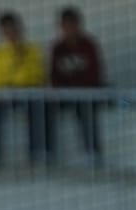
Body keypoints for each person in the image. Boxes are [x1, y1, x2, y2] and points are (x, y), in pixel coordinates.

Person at [46, 6, 106, 162]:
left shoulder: (89, 45)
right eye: (66, 26)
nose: (69, 30)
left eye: (72, 26)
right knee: (45, 108)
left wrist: (80, 89)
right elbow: (53, 75)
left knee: (86, 109)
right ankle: (48, 152)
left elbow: (95, 74)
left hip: (86, 94)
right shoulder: (57, 48)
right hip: (65, 94)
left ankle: (92, 152)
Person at [0, 10, 48, 164]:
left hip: (28, 92)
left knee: (39, 108)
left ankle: (37, 152)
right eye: (6, 29)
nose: (10, 32)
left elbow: (38, 74)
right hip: (5, 95)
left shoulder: (32, 50)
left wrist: (20, 82)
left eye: (13, 28)